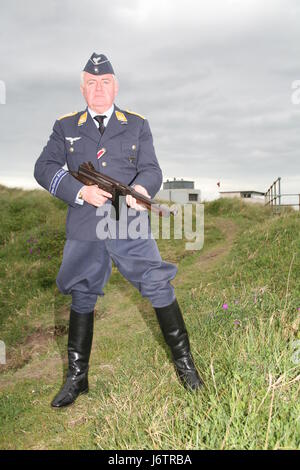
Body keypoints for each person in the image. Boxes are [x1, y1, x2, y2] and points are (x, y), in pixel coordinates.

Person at [34, 53, 203, 408]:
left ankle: (186, 367)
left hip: (130, 224)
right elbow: (44, 167)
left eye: (105, 81)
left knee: (157, 284)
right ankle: (77, 379)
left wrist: (142, 191)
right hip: (84, 224)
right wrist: (80, 191)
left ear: (116, 85)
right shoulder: (65, 126)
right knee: (81, 293)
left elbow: (152, 169)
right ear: (83, 88)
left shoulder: (137, 124)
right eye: (92, 83)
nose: (99, 88)